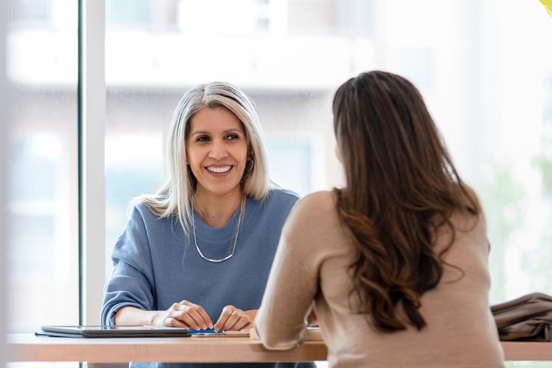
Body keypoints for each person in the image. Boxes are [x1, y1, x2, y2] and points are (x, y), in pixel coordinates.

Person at [255, 71, 506, 367]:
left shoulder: (319, 212)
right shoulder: (463, 203)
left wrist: (324, 304)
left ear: (344, 145)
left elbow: (275, 335)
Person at [101, 81, 315, 368]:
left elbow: (318, 309)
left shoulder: (288, 212)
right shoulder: (148, 219)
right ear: (184, 152)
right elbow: (117, 312)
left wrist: (258, 319)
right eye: (202, 139)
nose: (218, 153)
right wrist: (160, 318)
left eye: (231, 137)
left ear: (250, 149)